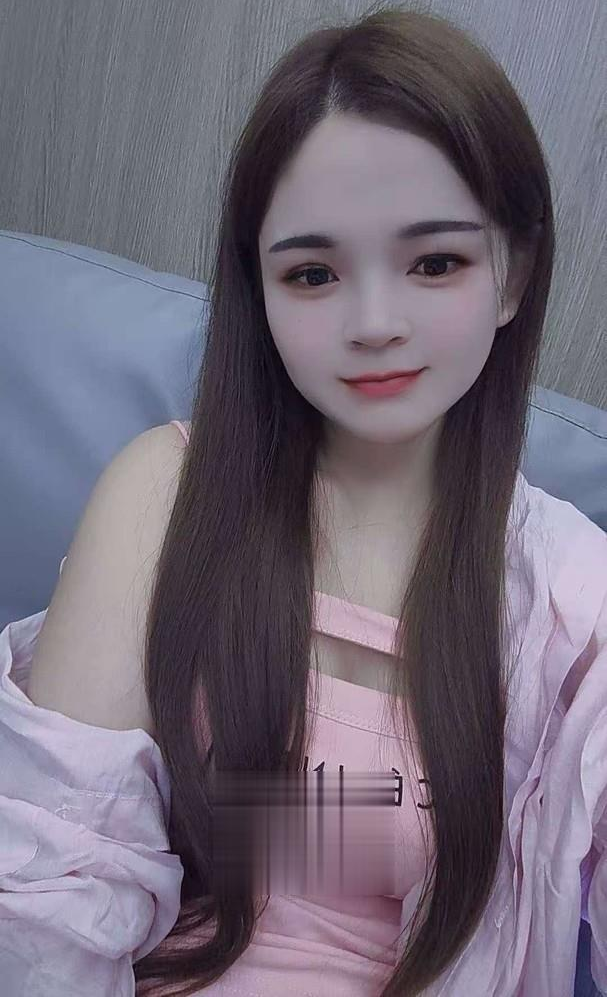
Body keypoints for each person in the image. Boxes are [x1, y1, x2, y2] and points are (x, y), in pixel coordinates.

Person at [1, 5, 605, 996]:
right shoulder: (165, 497)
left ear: (512, 276)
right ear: (261, 290)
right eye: (314, 273)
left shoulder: (573, 606)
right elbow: (50, 889)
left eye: (435, 262)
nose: (374, 322)